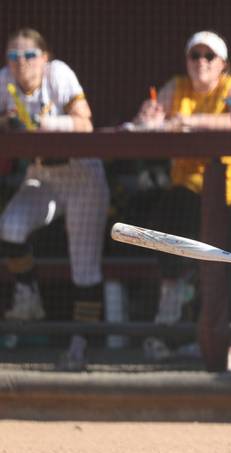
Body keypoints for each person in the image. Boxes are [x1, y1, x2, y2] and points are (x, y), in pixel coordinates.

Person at [133, 31, 231, 372]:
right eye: (194, 55)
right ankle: (165, 335)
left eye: (209, 57)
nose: (201, 62)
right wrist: (149, 120)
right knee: (172, 258)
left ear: (223, 64)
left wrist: (184, 122)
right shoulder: (176, 88)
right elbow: (151, 122)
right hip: (189, 191)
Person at [0, 28, 109, 371]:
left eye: (29, 55)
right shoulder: (4, 80)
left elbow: (85, 122)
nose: (21, 64)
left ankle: (80, 345)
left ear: (44, 57)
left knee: (84, 266)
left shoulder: (58, 73)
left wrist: (41, 122)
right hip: (43, 176)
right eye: (14, 56)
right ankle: (28, 296)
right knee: (10, 227)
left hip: (82, 178)